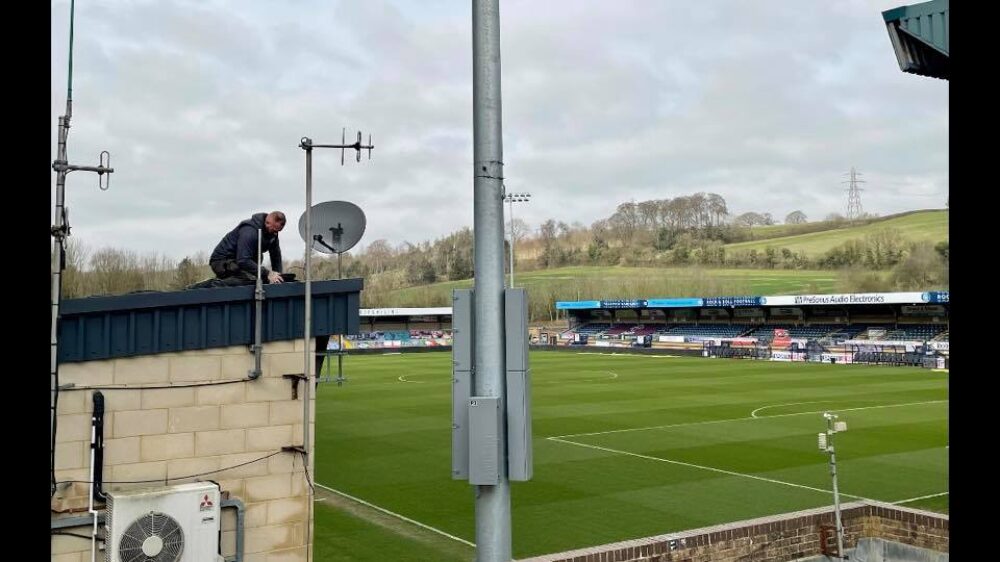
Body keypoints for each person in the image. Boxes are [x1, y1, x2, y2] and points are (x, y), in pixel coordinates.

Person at [208, 211, 286, 286]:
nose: (275, 233)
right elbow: (243, 260)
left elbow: (276, 256)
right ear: (267, 223)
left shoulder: (272, 234)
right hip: (222, 262)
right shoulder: (249, 232)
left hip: (239, 261)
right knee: (251, 279)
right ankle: (211, 286)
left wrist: (278, 276)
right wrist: (268, 273)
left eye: (278, 231)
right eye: (274, 230)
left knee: (263, 277)